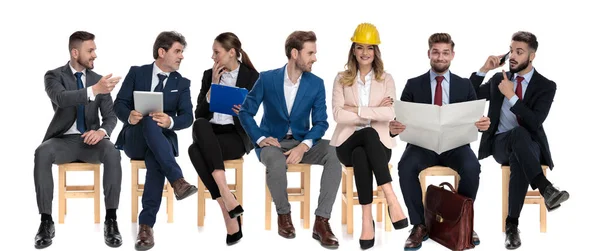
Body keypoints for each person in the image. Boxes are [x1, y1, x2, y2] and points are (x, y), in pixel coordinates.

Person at [238, 30, 341, 249]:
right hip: (272, 143)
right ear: (295, 53)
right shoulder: (267, 79)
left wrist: (304, 146)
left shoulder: (316, 83)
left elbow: (321, 123)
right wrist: (260, 137)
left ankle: (321, 222)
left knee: (334, 151)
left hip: (302, 141)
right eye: (310, 53)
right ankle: (284, 215)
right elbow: (246, 112)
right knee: (275, 162)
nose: (315, 58)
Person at [389, 33, 489, 251]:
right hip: (422, 145)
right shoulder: (414, 84)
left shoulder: (464, 85)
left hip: (456, 146)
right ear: (429, 54)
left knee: (472, 166)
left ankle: (464, 221)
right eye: (436, 52)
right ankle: (419, 225)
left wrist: (482, 124)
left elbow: (475, 118)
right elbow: (400, 119)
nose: (440, 57)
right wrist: (393, 128)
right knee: (405, 166)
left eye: (445, 52)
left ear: (452, 55)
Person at [470, 31, 569, 250]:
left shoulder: (546, 86)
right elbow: (468, 95)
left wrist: (511, 97)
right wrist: (484, 69)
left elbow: (535, 122)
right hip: (499, 145)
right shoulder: (499, 79)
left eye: (519, 52)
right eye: (511, 50)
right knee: (517, 135)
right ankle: (546, 189)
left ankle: (511, 226)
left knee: (520, 147)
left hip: (528, 148)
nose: (512, 56)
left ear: (531, 56)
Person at [34, 31, 123, 249]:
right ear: (75, 53)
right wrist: (93, 90)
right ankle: (46, 221)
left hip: (91, 142)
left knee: (113, 151)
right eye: (90, 50)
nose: (95, 55)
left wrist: (102, 131)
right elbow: (62, 99)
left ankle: (111, 219)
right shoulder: (53, 76)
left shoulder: (98, 80)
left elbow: (110, 116)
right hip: (62, 141)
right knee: (42, 152)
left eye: (94, 50)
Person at [114, 31, 198, 251]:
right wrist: (129, 115)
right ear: (162, 52)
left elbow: (188, 117)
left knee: (156, 160)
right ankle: (178, 180)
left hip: (161, 142)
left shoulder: (182, 83)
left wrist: (170, 121)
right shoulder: (137, 72)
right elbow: (119, 104)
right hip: (134, 139)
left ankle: (145, 227)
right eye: (177, 51)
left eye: (182, 52)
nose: (181, 57)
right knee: (149, 122)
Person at [330, 23, 408, 250]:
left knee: (363, 151)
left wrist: (355, 109)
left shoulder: (387, 79)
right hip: (345, 142)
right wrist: (373, 111)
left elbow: (390, 112)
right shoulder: (341, 78)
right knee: (367, 135)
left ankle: (366, 219)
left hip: (378, 144)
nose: (365, 53)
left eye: (370, 48)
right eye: (360, 47)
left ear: (376, 52)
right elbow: (337, 115)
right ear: (353, 50)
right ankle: (391, 198)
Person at [189, 32, 259, 245]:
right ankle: (227, 198)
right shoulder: (207, 74)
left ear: (231, 52)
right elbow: (199, 114)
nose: (213, 57)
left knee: (194, 151)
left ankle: (225, 205)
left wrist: (243, 112)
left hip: (235, 136)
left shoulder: (252, 76)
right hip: (210, 132)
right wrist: (212, 88)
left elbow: (257, 113)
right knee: (200, 124)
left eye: (216, 52)